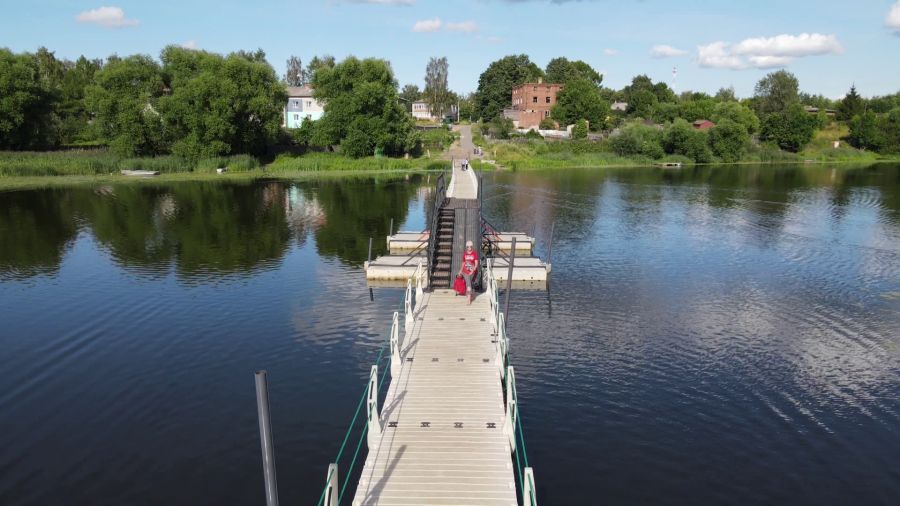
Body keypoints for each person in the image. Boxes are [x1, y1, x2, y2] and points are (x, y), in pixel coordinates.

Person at [458, 240, 479, 305]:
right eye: (468, 247)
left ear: (472, 247)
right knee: (468, 284)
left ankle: (469, 294)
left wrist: (473, 271)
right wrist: (460, 271)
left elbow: (476, 264)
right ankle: (469, 300)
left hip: (472, 271)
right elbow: (463, 263)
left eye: (470, 247)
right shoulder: (465, 254)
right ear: (466, 247)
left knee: (470, 283)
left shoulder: (474, 254)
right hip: (465, 271)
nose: (469, 248)